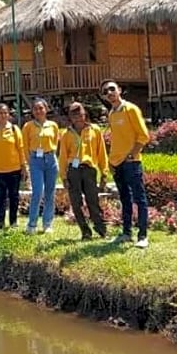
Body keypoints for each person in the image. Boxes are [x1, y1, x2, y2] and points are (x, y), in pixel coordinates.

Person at [101, 80, 152, 249]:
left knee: (140, 198)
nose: (109, 92)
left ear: (119, 90)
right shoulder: (112, 113)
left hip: (131, 162)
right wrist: (111, 161)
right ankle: (126, 233)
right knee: (125, 199)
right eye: (105, 91)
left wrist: (132, 154)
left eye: (112, 89)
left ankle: (143, 235)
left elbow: (143, 136)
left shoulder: (131, 109)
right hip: (117, 163)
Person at [59, 101, 109, 240]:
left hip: (89, 170)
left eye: (79, 114)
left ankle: (101, 229)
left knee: (93, 201)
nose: (77, 117)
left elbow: (101, 152)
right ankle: (85, 231)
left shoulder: (94, 130)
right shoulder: (66, 134)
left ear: (84, 114)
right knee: (76, 203)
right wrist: (63, 177)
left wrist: (104, 173)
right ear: (70, 117)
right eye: (73, 114)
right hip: (73, 171)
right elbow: (63, 156)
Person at [22, 98, 61, 235]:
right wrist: (28, 162)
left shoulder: (53, 125)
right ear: (32, 111)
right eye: (35, 109)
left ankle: (47, 223)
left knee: (50, 192)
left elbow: (56, 141)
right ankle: (32, 224)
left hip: (50, 159)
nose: (38, 111)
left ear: (46, 109)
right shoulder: (28, 126)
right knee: (38, 191)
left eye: (41, 108)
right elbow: (25, 146)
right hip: (35, 161)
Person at [0, 102, 26, 229]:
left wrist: (24, 167)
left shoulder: (15, 129)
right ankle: (0, 221)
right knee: (0, 197)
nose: (4, 115)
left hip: (14, 169)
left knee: (14, 196)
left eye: (6, 113)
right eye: (1, 113)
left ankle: (13, 221)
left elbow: (21, 149)